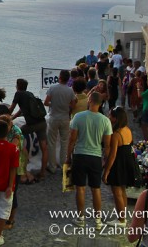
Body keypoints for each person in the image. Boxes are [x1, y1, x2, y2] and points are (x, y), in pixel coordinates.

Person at [66, 92, 112, 230]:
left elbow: (72, 139)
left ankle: (81, 218)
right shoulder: (105, 121)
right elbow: (107, 144)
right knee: (96, 189)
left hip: (80, 155)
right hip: (96, 157)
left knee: (80, 188)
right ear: (100, 103)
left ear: (90, 101)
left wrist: (68, 157)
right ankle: (98, 220)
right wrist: (105, 159)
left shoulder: (78, 117)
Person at [0, 114, 31, 232]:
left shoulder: (16, 132)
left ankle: (11, 219)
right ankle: (2, 216)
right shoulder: (5, 130)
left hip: (16, 164)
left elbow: (12, 147)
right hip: (6, 163)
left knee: (12, 191)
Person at [10, 78, 48, 179]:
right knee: (44, 148)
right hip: (42, 122)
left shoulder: (18, 94)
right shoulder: (29, 94)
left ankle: (23, 167)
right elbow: (21, 110)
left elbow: (12, 108)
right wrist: (14, 117)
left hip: (32, 125)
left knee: (18, 133)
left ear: (18, 86)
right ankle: (42, 173)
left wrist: (7, 117)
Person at [102, 106, 134, 227]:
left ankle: (121, 220)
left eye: (111, 116)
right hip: (127, 162)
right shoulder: (128, 130)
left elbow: (113, 155)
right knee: (123, 191)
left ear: (116, 119)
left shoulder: (116, 134)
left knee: (117, 192)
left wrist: (106, 171)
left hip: (118, 164)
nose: (109, 117)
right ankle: (123, 216)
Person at [44, 70, 77, 173]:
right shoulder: (70, 90)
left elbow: (46, 102)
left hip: (53, 117)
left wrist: (53, 105)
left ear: (60, 77)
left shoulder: (52, 88)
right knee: (64, 142)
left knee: (52, 142)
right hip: (65, 118)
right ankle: (63, 164)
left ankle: (52, 166)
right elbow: (73, 105)